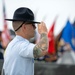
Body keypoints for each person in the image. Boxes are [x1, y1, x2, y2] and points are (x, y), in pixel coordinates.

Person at [2, 7, 48, 75]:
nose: (35, 27)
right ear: (24, 27)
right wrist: (44, 33)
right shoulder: (21, 45)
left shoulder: (11, 45)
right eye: (33, 24)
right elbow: (42, 50)